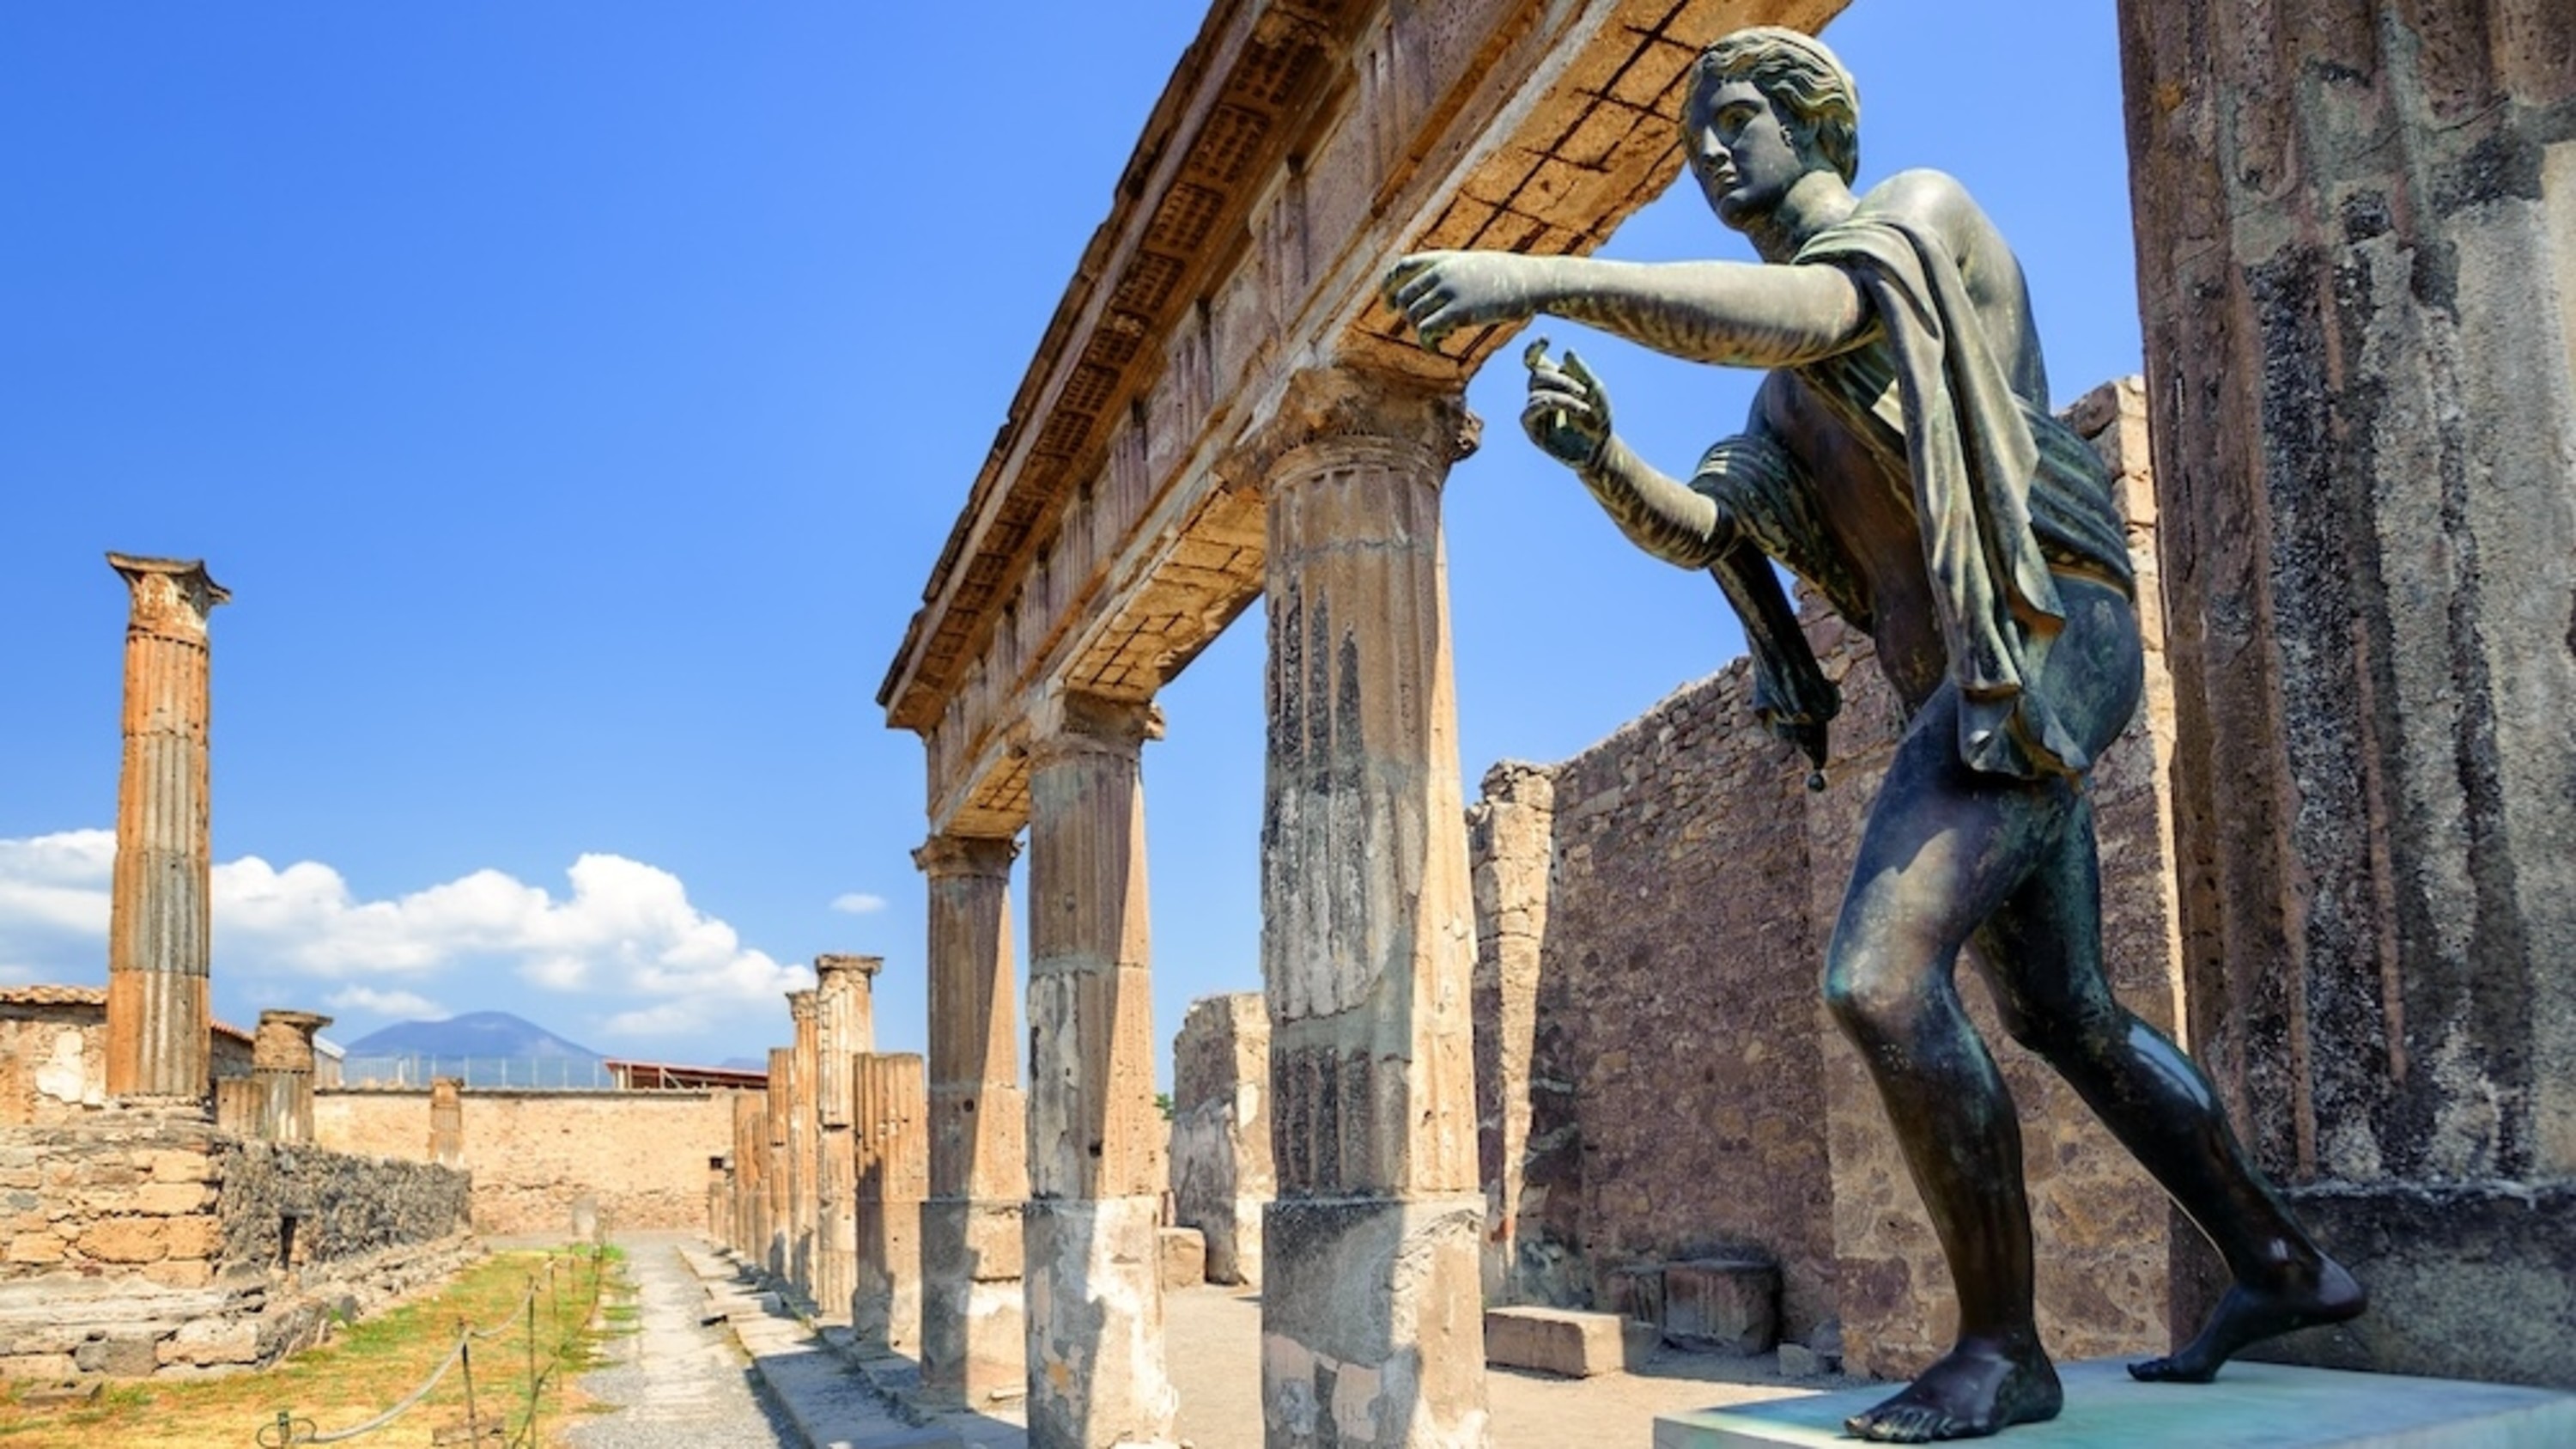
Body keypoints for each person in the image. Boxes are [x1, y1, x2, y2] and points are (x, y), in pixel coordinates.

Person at [1384, 27, 2363, 1445]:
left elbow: (1810, 315)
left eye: (1733, 119)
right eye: (1691, 139)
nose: (1708, 153)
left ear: (1811, 119)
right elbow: (1716, 529)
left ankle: (2002, 1347)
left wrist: (1536, 278)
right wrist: (1603, 460)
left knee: (1880, 981)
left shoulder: (1916, 218)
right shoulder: (1781, 403)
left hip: (2035, 642)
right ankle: (2279, 1263)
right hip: (1977, 684)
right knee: (2066, 1015)